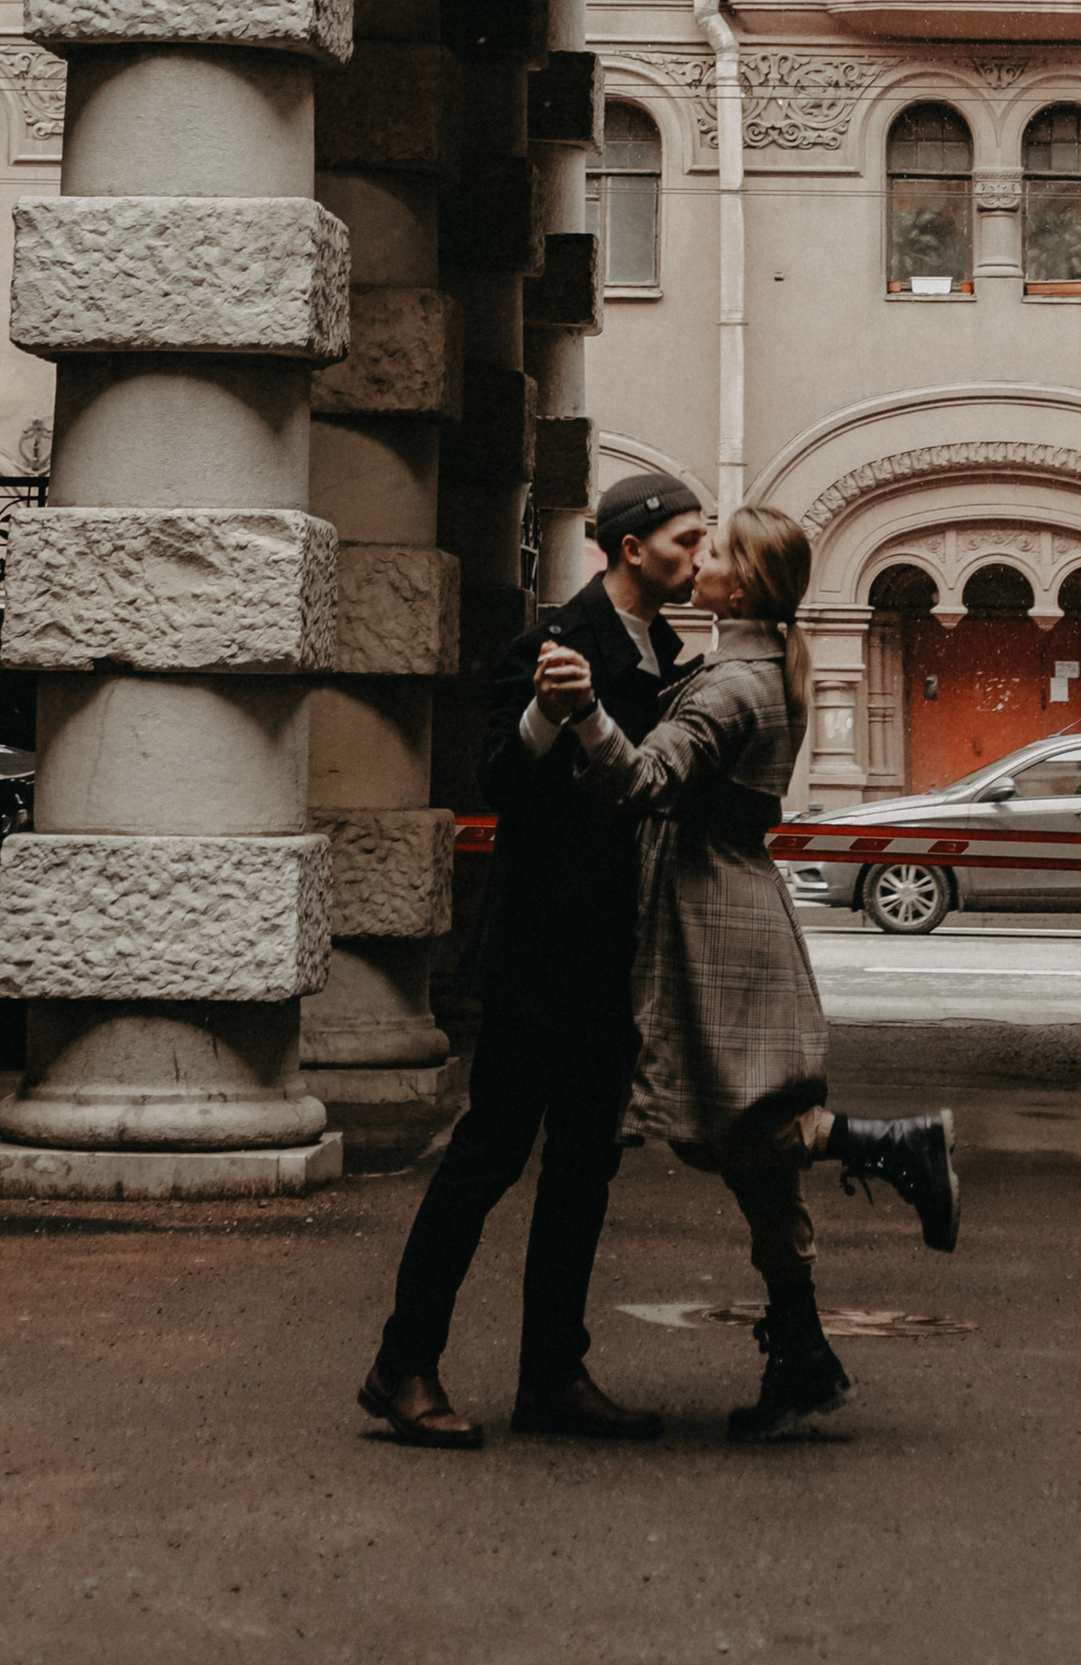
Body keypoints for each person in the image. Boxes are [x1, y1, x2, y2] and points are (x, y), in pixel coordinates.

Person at [532, 502, 961, 1446]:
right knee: (748, 1160)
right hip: (721, 905)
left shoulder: (735, 687)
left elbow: (643, 783)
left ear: (748, 584)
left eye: (717, 553)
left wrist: (586, 715)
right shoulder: (753, 667)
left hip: (710, 918)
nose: (701, 561)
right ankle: (803, 1355)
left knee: (733, 1124)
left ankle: (891, 1145)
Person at [359, 471, 709, 1451]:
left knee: (584, 1175)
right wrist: (553, 712)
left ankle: (553, 1373)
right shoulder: (554, 644)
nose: (699, 557)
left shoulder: (662, 652)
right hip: (537, 957)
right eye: (686, 540)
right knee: (485, 1161)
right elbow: (499, 782)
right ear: (631, 547)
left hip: (611, 959)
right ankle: (402, 1365)